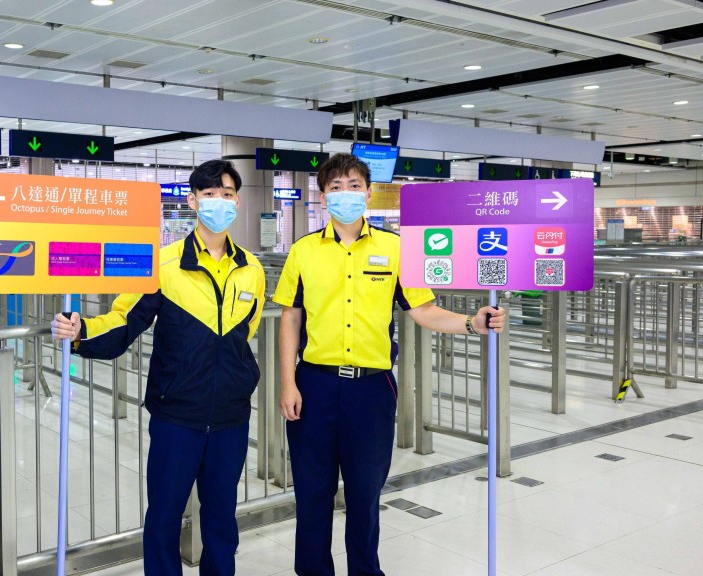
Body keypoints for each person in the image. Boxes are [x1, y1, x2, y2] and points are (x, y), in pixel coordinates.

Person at [273, 153, 506, 576]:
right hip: (315, 386)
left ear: (368, 191)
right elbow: (290, 316)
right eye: (336, 187)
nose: (346, 194)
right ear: (324, 195)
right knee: (312, 493)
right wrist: (287, 382)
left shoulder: (396, 247)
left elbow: (424, 309)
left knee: (364, 493)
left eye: (354, 185)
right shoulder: (303, 251)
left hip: (371, 389)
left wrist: (472, 323)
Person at [51, 159, 266, 576]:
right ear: (192, 201)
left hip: (230, 415)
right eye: (208, 195)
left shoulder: (252, 270)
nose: (218, 203)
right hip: (176, 415)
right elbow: (123, 320)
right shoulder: (163, 265)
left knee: (222, 516)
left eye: (225, 195)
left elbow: (246, 333)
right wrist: (81, 332)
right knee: (165, 514)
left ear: (237, 201)